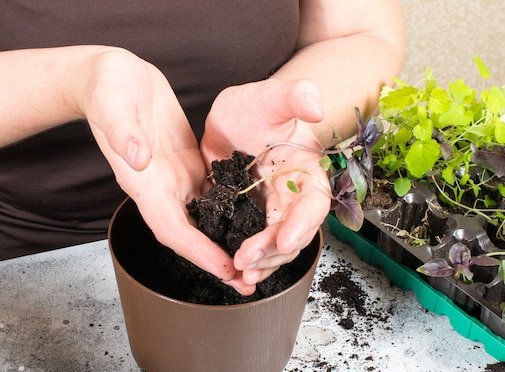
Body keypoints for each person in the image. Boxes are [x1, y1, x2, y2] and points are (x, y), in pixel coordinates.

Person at [0, 1, 404, 295]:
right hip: (31, 261)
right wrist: (74, 81)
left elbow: (364, 33)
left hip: (264, 225)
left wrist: (287, 116)